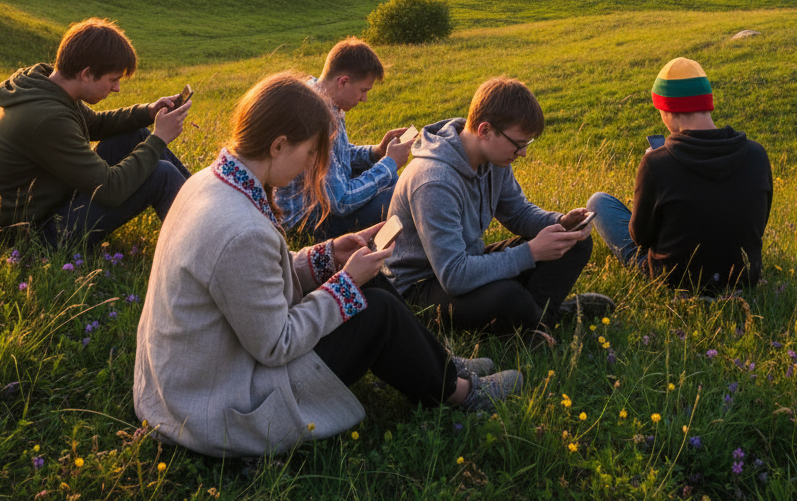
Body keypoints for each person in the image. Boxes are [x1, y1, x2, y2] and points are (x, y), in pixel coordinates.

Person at [133, 72, 523, 458]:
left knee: (369, 285)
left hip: (191, 381)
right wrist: (345, 285)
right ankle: (461, 393)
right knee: (375, 309)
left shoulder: (209, 181)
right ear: (278, 145)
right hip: (216, 405)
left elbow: (249, 276)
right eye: (308, 154)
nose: (309, 167)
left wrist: (328, 256)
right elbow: (276, 344)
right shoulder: (242, 229)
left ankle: (440, 365)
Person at [384, 77, 612, 336]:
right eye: (518, 144)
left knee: (573, 242)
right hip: (420, 286)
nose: (523, 152)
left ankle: (536, 322)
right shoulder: (434, 180)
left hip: (466, 261)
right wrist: (532, 252)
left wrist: (559, 223)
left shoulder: (494, 158)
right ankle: (538, 319)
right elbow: (454, 276)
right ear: (485, 130)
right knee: (506, 296)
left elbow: (517, 212)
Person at [0, 17, 192, 246]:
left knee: (134, 136)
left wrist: (148, 112)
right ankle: (204, 243)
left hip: (51, 206)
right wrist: (160, 138)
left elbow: (95, 125)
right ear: (87, 74)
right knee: (162, 175)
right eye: (113, 79)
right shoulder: (48, 118)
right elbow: (109, 189)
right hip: (30, 238)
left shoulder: (48, 87)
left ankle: (203, 202)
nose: (116, 88)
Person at [588, 57, 773, 292]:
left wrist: (651, 169)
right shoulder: (757, 154)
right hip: (741, 278)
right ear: (708, 103)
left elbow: (640, 238)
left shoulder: (656, 163)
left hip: (675, 280)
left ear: (667, 110)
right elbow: (759, 224)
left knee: (598, 202)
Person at [275, 38, 411, 239]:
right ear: (343, 82)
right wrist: (390, 163)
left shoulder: (321, 98)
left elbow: (339, 154)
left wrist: (377, 152)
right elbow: (341, 201)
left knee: (392, 182)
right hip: (308, 222)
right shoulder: (316, 118)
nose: (364, 99)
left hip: (322, 201)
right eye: (363, 90)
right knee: (399, 196)